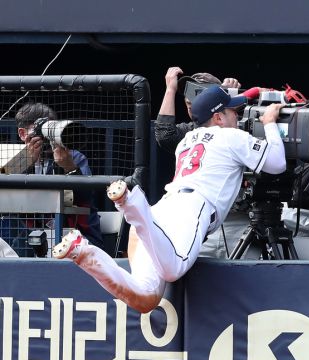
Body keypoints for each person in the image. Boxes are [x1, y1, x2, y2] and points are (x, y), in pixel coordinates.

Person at [51, 86, 286, 313]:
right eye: (232, 111)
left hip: (161, 212)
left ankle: (82, 253)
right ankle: (132, 206)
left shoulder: (187, 139)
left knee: (146, 298)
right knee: (172, 270)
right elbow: (277, 164)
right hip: (192, 209)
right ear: (218, 117)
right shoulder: (231, 136)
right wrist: (270, 124)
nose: (238, 116)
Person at [1, 103, 103, 256]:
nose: (45, 138)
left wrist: (69, 168)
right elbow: (6, 199)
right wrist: (26, 163)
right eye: (39, 131)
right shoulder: (12, 159)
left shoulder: (74, 157)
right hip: (24, 238)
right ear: (22, 134)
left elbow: (85, 198)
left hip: (70, 233)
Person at [154, 67, 242, 154]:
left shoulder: (238, 126)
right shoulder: (191, 132)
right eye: (188, 90)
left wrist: (228, 101)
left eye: (199, 91)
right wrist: (170, 90)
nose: (190, 98)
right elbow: (165, 135)